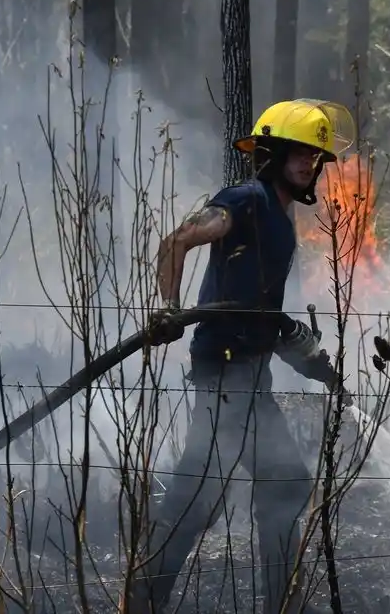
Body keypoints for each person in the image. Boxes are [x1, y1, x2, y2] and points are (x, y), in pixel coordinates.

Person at [126, 99, 356, 613]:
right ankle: (142, 601)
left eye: (315, 156)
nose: (309, 163)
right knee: (200, 496)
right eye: (299, 152)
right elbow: (176, 241)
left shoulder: (278, 214)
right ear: (272, 154)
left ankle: (280, 604)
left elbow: (259, 308)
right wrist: (169, 310)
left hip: (249, 377)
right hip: (226, 374)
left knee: (280, 486)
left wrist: (303, 353)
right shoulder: (247, 199)